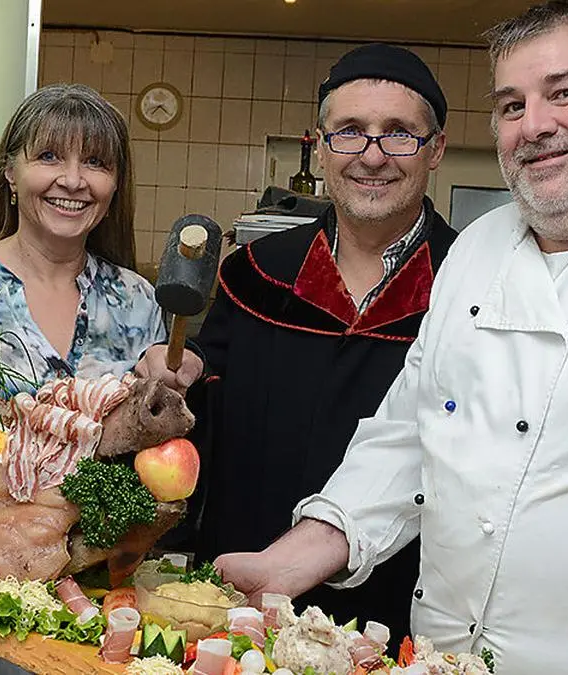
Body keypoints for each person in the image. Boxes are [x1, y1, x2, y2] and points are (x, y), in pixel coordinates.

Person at [215, 2, 568, 674]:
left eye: (564, 92)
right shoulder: (480, 247)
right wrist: (290, 559)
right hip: (441, 657)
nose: (534, 125)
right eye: (512, 105)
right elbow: (409, 436)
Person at [135, 44, 456, 641]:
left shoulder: (471, 285)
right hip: (243, 596)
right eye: (350, 131)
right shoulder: (256, 273)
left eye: (399, 134)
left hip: (401, 615)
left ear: (435, 148)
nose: (372, 155)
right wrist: (177, 374)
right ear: (322, 142)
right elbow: (200, 404)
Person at [0, 82, 166, 675]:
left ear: (114, 187)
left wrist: (167, 397)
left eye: (95, 162)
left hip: (97, 611)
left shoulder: (138, 300)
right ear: (10, 173)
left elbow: (153, 456)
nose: (73, 179)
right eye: (49, 157)